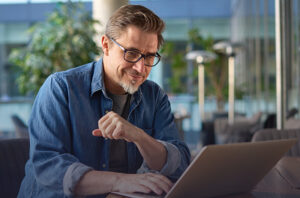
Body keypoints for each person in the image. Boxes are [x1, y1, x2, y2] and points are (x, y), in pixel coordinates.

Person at [18, 4, 190, 198]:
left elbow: (180, 163)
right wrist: (120, 181)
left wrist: (140, 137)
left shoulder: (154, 96)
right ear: (106, 45)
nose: (141, 68)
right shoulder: (60, 87)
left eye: (149, 57)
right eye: (131, 54)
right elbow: (48, 166)